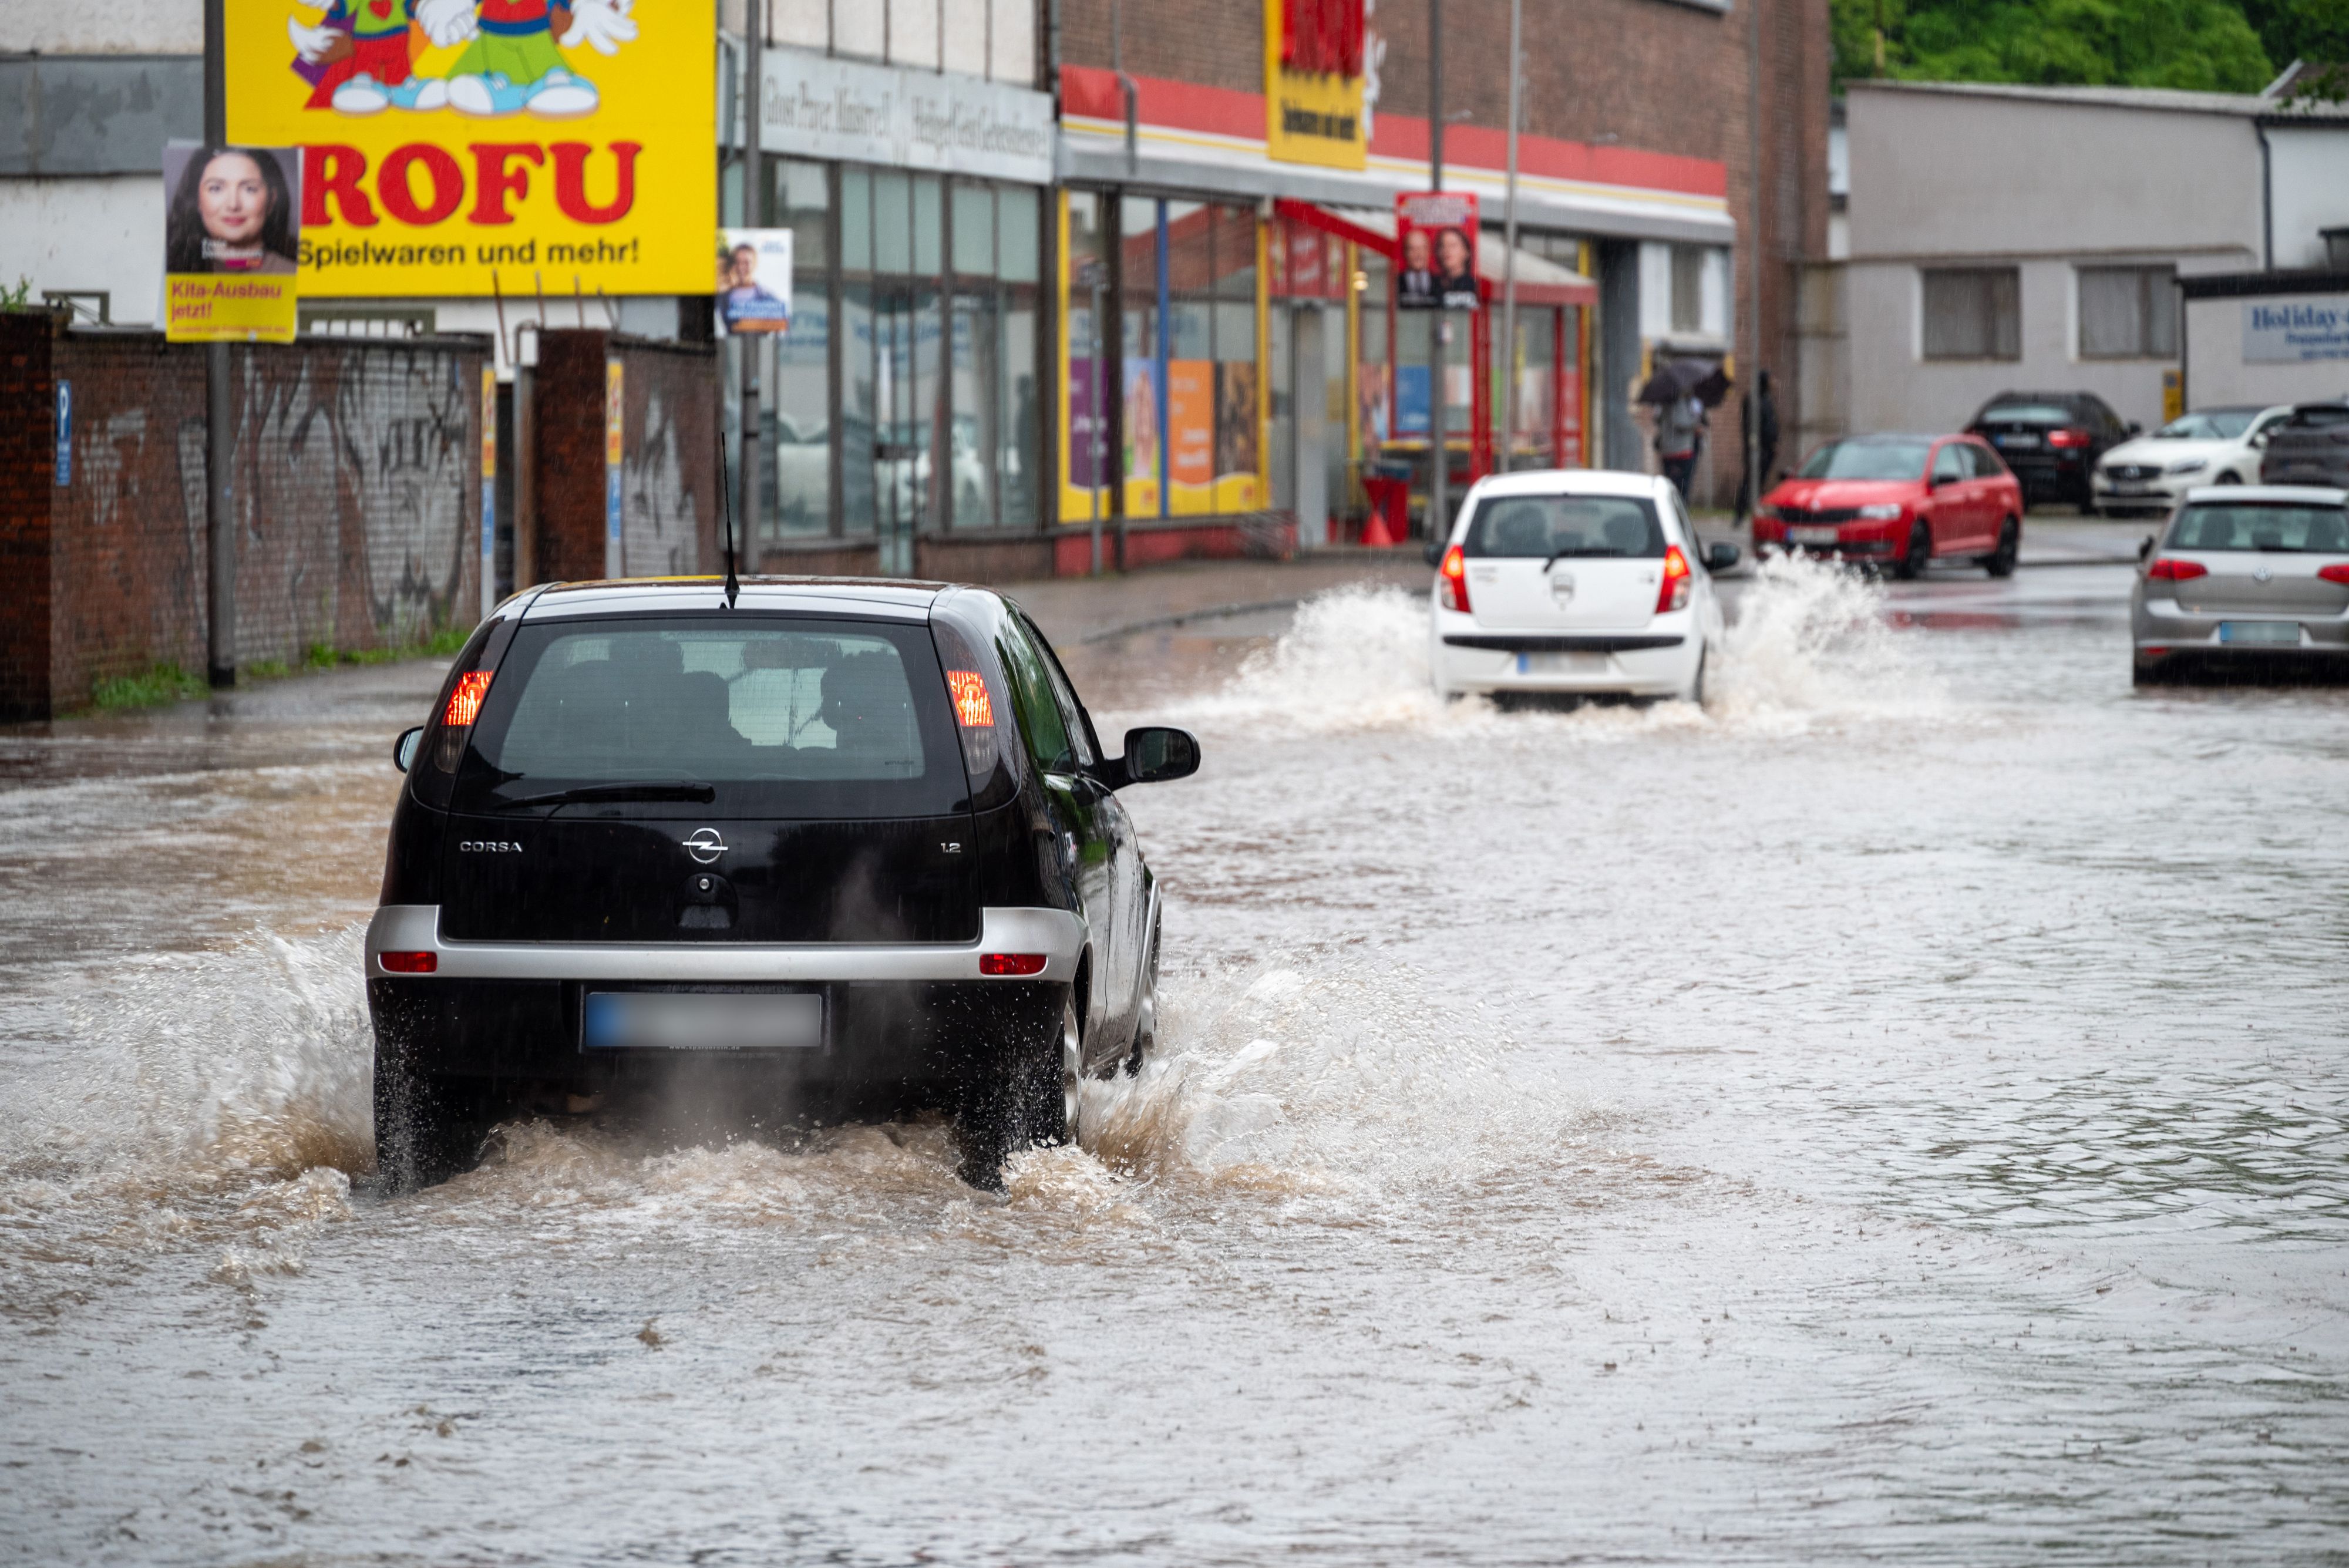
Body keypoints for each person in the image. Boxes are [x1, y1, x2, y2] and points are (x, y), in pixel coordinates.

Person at [165, 147, 298, 275]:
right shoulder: (172, 269)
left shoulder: (294, 273)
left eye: (250, 189)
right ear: (197, 200)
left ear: (271, 201)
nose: (233, 205)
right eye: (216, 188)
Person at [1735, 368, 1780, 521]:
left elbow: (1770, 424)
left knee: (1760, 480)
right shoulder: (1753, 399)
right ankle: (1741, 512)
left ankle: (1754, 509)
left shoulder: (1767, 399)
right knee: (1750, 480)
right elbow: (1753, 426)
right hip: (1757, 448)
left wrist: (1774, 442)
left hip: (1767, 449)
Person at [1655, 392, 1704, 501]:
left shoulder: (1663, 402)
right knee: (1682, 486)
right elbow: (1680, 422)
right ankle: (1679, 511)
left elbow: (1658, 419)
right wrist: (1695, 423)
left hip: (1668, 450)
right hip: (1681, 451)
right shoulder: (1679, 402)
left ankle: (1673, 508)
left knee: (1672, 484)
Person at [1433, 226, 1478, 308]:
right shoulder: (1431, 286)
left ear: (1466, 252)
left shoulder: (1476, 286)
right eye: (1442, 246)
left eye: (1453, 245)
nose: (1447, 250)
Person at [1397, 227, 1438, 307]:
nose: (1418, 254)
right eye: (1412, 249)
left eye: (1422, 248)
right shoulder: (1396, 282)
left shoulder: (1441, 282)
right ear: (1405, 252)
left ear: (1429, 251)